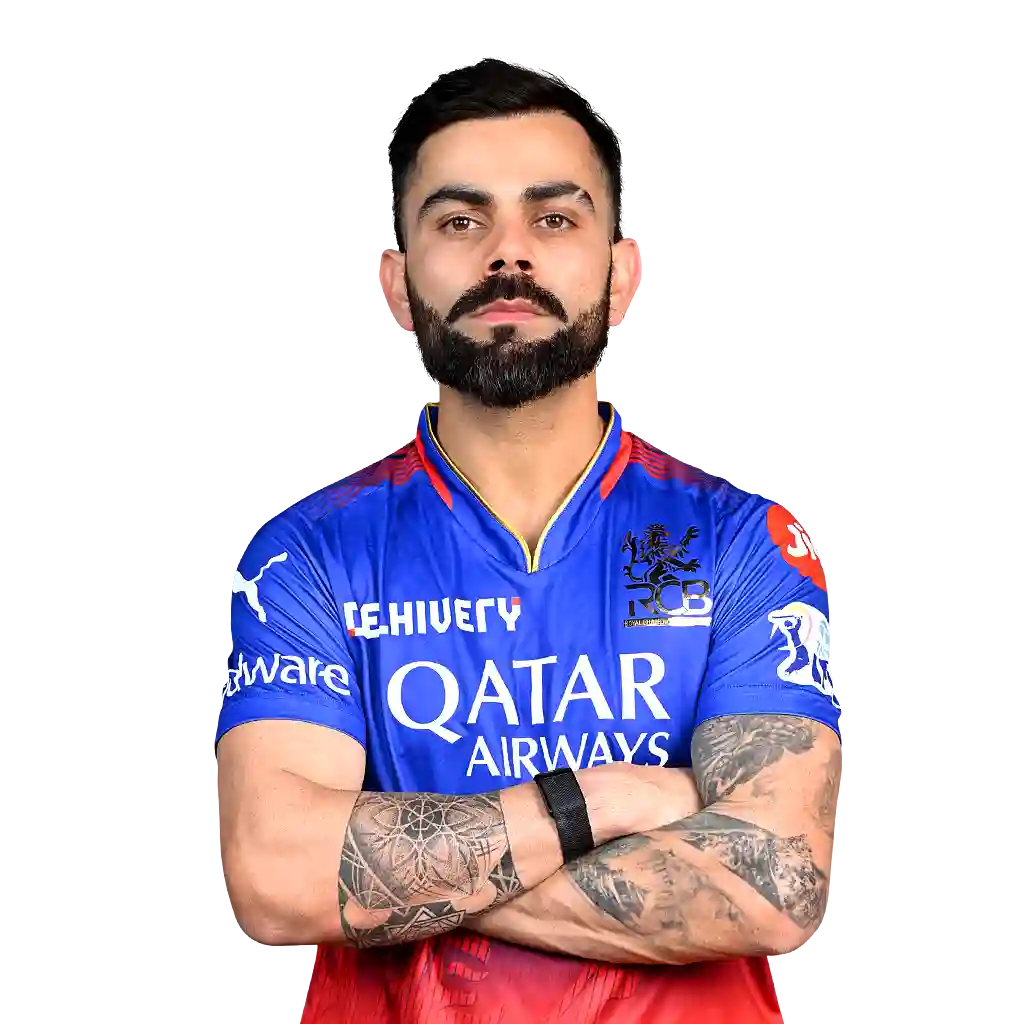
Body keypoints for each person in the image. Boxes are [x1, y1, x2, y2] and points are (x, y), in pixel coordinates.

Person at [215, 59, 843, 1024]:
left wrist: (385, 881)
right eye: (460, 222)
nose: (508, 254)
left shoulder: (741, 542)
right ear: (396, 286)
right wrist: (602, 803)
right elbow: (272, 875)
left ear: (621, 276)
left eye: (553, 219)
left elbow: (774, 883)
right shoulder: (307, 556)